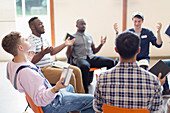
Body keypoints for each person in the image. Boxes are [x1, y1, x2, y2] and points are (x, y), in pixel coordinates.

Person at [2, 31, 95, 113]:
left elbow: (15, 80)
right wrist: (56, 88)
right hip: (51, 104)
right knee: (91, 101)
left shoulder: (13, 63)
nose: (27, 39)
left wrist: (28, 60)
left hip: (46, 97)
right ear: (20, 48)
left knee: (69, 87)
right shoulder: (27, 72)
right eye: (24, 40)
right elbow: (40, 100)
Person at [93, 31, 164, 113]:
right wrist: (159, 86)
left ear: (116, 50)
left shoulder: (102, 78)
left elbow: (97, 109)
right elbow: (157, 110)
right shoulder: (153, 80)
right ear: (138, 50)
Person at [114, 12, 170, 95]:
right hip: (131, 57)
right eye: (135, 21)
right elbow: (120, 44)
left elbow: (158, 44)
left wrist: (158, 32)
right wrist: (117, 33)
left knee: (146, 68)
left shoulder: (147, 33)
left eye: (139, 21)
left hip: (143, 58)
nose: (137, 23)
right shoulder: (128, 32)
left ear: (142, 21)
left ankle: (164, 89)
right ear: (133, 21)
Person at [28, 17, 85, 93]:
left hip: (52, 64)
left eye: (42, 23)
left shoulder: (43, 39)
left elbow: (52, 52)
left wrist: (65, 44)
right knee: (69, 75)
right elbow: (31, 61)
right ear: (32, 27)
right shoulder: (30, 41)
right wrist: (42, 53)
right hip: (42, 69)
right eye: (40, 24)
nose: (43, 26)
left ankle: (81, 96)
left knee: (77, 71)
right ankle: (72, 100)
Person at [66, 19, 114, 93]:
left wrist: (101, 44)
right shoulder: (73, 37)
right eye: (81, 24)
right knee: (85, 66)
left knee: (110, 62)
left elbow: (94, 51)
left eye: (84, 24)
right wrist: (69, 45)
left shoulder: (89, 36)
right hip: (80, 59)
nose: (83, 26)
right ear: (77, 25)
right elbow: (68, 55)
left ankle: (108, 86)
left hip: (91, 58)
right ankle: (85, 91)